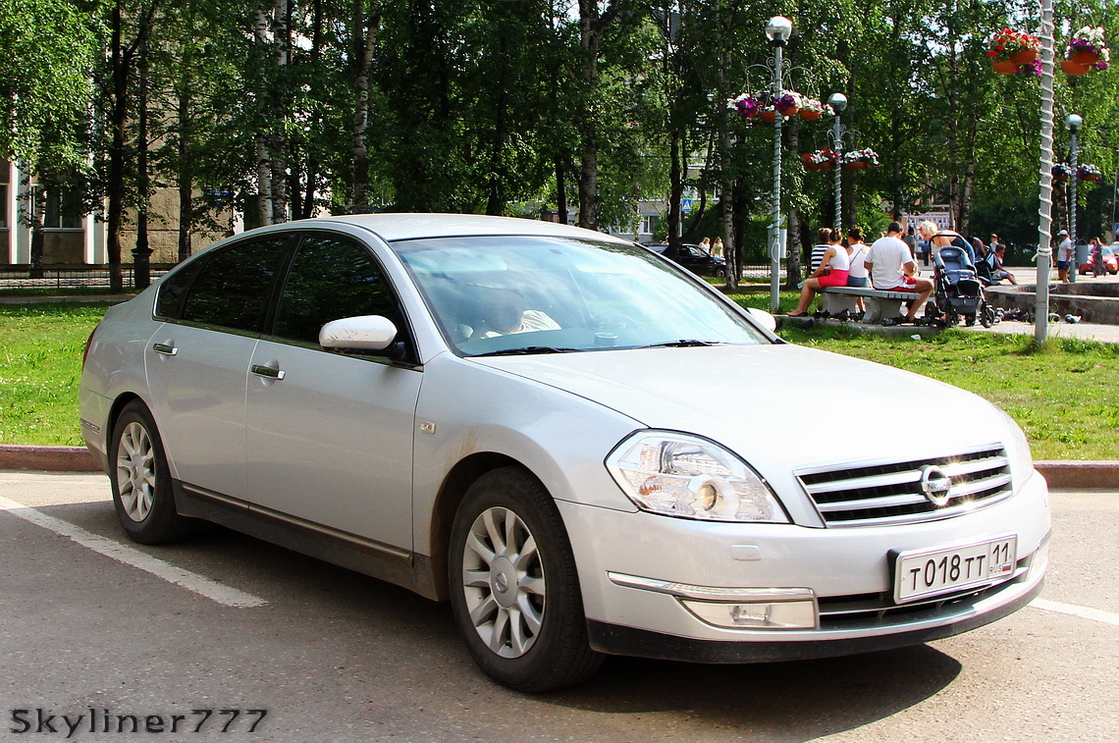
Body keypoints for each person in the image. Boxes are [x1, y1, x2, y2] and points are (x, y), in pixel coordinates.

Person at [864, 221, 934, 323]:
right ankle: (910, 315)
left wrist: (881, 267)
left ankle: (902, 313)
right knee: (929, 284)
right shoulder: (901, 245)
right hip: (894, 284)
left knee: (913, 281)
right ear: (901, 233)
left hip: (878, 284)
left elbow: (866, 264)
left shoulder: (876, 243)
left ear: (888, 231)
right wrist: (913, 267)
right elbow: (910, 270)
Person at [787, 229, 850, 316]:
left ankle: (799, 310)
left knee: (807, 283)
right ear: (841, 239)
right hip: (842, 278)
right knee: (811, 285)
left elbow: (820, 269)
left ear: (829, 239)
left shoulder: (830, 250)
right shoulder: (842, 249)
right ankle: (803, 310)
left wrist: (811, 277)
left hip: (835, 278)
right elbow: (836, 266)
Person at [468, 286, 560, 339]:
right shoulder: (485, 339)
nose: (512, 310)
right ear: (486, 309)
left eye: (516, 304)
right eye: (504, 305)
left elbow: (563, 340)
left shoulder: (538, 316)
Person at [845, 227, 871, 314]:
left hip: (852, 280)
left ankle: (861, 310)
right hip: (864, 281)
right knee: (863, 287)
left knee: (854, 286)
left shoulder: (849, 250)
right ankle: (862, 310)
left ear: (851, 238)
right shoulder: (868, 249)